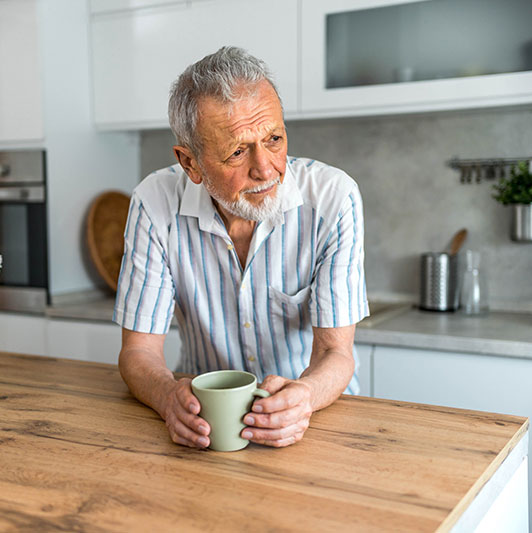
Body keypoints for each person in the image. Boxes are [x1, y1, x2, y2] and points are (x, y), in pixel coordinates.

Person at [114, 46, 368, 449]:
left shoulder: (333, 199)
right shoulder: (154, 203)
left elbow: (335, 353)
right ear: (190, 163)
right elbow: (138, 351)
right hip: (207, 427)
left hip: (317, 417)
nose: (265, 168)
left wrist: (304, 396)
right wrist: (167, 398)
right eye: (237, 151)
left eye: (274, 139)